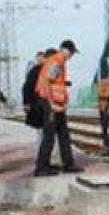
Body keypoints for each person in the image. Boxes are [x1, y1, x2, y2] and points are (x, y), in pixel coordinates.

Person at [34, 40, 81, 177]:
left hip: (57, 104)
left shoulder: (59, 61)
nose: (71, 56)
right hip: (51, 103)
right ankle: (41, 167)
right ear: (64, 50)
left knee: (63, 134)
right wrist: (51, 104)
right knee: (49, 136)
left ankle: (68, 164)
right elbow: (47, 82)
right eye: (71, 52)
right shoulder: (57, 61)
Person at [22, 50, 49, 129]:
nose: (40, 60)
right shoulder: (34, 71)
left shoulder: (36, 70)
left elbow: (26, 87)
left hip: (40, 102)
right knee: (42, 126)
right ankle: (42, 141)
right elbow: (26, 87)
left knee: (42, 126)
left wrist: (26, 103)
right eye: (39, 58)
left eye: (42, 58)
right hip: (36, 103)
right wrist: (26, 103)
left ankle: (43, 141)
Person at [96, 74, 109, 152]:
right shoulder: (104, 83)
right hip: (105, 108)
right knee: (106, 126)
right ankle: (107, 143)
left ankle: (108, 142)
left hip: (108, 108)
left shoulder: (105, 82)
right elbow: (101, 94)